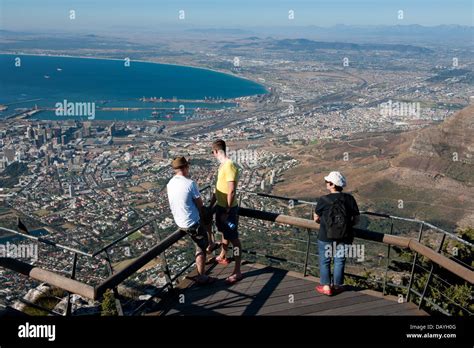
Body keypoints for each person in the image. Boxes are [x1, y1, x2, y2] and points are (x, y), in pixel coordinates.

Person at [166, 156, 215, 285]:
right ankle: (202, 276)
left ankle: (210, 244)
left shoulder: (170, 183)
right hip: (191, 223)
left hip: (178, 221)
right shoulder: (189, 183)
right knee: (200, 248)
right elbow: (200, 205)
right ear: (185, 167)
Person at [313, 171, 360, 296]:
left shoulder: (323, 199)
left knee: (325, 261)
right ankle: (337, 286)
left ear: (332, 185)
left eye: (327, 182)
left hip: (325, 235)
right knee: (339, 261)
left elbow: (315, 218)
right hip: (345, 235)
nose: (326, 183)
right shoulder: (350, 199)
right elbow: (356, 220)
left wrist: (326, 223)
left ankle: (327, 287)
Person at [209, 139, 243, 284]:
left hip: (228, 210)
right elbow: (219, 188)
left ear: (216, 151)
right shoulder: (223, 165)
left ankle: (237, 271)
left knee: (234, 239)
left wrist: (227, 211)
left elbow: (231, 190)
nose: (213, 155)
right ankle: (223, 255)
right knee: (224, 233)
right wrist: (212, 205)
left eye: (213, 152)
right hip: (221, 207)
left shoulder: (229, 165)